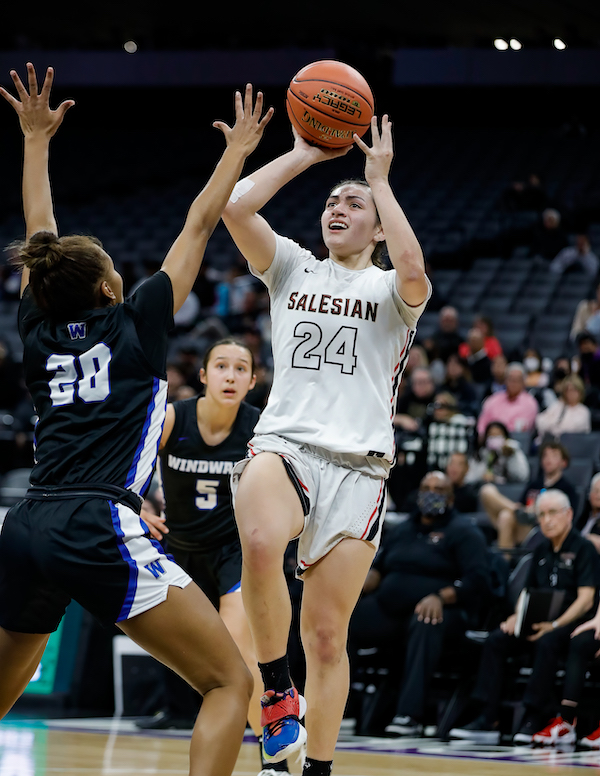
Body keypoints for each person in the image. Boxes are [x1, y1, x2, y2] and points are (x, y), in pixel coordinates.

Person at [0, 64, 272, 776]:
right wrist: (236, 151)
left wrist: (35, 143)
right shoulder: (136, 324)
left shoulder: (33, 326)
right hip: (96, 521)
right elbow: (199, 222)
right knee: (229, 682)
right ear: (106, 285)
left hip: (27, 524)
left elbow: (40, 233)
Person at [222, 113, 430, 775]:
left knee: (327, 638)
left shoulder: (392, 293)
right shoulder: (291, 267)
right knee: (259, 540)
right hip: (285, 445)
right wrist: (304, 156)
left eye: (353, 204)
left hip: (359, 472)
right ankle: (277, 685)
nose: (337, 208)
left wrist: (379, 181)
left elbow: (415, 264)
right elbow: (235, 205)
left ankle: (315, 768)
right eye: (331, 202)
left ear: (376, 224)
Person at [137, 339, 288, 776]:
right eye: (221, 366)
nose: (230, 375)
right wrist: (137, 504)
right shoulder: (172, 418)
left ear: (253, 382)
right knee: (194, 656)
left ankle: (272, 757)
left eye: (241, 369)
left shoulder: (261, 429)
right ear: (203, 376)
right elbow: (128, 463)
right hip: (180, 550)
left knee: (240, 650)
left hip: (232, 553)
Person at [449, 490, 597, 745]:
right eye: (541, 514)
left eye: (553, 513)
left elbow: (586, 599)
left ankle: (533, 716)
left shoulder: (584, 549)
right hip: (536, 618)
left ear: (569, 514)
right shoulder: (540, 550)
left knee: (547, 642)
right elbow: (526, 592)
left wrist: (554, 625)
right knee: (497, 639)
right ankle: (487, 718)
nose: (547, 520)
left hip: (569, 623)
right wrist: (517, 617)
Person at [348, 471, 489, 737]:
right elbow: (379, 567)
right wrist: (359, 585)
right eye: (426, 487)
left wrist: (440, 597)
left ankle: (409, 715)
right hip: (391, 609)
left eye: (438, 488)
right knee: (341, 619)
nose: (430, 493)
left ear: (450, 497)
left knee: (426, 620)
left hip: (443, 613)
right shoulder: (403, 528)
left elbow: (477, 581)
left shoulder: (464, 532)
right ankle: (344, 706)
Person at [479, 441, 578, 551]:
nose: (548, 459)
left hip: (539, 529)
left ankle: (504, 562)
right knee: (487, 491)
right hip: (521, 520)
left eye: (554, 455)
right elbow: (521, 503)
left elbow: (568, 520)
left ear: (563, 462)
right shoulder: (534, 484)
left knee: (506, 516)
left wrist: (537, 512)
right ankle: (506, 561)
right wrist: (522, 510)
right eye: (545, 455)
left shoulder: (567, 488)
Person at [476, 363, 539, 441]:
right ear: (505, 380)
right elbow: (482, 421)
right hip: (489, 440)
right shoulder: (493, 399)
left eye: (517, 380)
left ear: (523, 382)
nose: (513, 383)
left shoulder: (530, 403)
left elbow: (521, 429)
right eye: (511, 379)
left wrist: (498, 433)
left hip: (514, 442)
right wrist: (484, 434)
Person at [465, 421, 530, 487]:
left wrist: (511, 456)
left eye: (498, 435)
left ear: (505, 437)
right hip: (482, 488)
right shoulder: (480, 453)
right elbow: (470, 477)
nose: (494, 438)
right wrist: (482, 476)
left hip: (507, 488)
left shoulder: (513, 450)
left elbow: (522, 476)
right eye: (491, 435)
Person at [424, 391, 475, 472]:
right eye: (435, 406)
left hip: (456, 469)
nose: (437, 410)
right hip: (435, 468)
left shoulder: (460, 424)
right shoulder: (432, 426)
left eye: (441, 406)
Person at [534, 374, 591, 442]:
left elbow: (570, 430)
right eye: (568, 390)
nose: (570, 393)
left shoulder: (583, 411)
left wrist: (552, 426)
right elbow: (540, 420)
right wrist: (555, 426)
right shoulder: (558, 405)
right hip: (551, 442)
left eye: (574, 390)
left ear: (580, 392)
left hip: (572, 445)